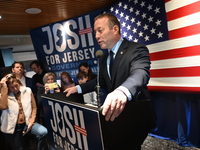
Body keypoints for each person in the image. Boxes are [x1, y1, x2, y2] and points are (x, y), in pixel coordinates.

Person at [64, 13, 156, 149]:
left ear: (115, 29)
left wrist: (122, 91)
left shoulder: (136, 49)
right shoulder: (104, 58)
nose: (96, 36)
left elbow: (140, 73)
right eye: (95, 32)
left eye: (100, 31)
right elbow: (99, 82)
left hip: (136, 115)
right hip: (117, 117)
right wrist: (77, 89)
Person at [0, 74, 48, 150]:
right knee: (20, 148)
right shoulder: (4, 94)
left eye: (16, 85)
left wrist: (31, 121)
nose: (15, 88)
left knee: (43, 132)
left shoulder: (27, 91)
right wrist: (3, 87)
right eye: (12, 87)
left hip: (26, 123)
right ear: (8, 87)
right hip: (12, 126)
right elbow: (3, 106)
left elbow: (34, 107)